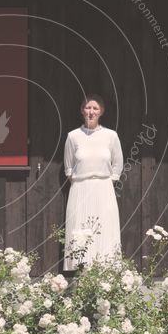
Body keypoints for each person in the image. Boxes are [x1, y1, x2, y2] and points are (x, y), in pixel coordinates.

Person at [63, 94, 123, 271]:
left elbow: (117, 164)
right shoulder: (73, 136)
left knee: (105, 229)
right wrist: (82, 182)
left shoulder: (110, 136)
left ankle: (106, 271)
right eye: (88, 108)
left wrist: (105, 182)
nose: (91, 111)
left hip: (104, 189)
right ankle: (81, 271)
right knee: (80, 229)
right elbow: (68, 167)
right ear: (82, 111)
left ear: (101, 111)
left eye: (95, 108)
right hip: (80, 188)